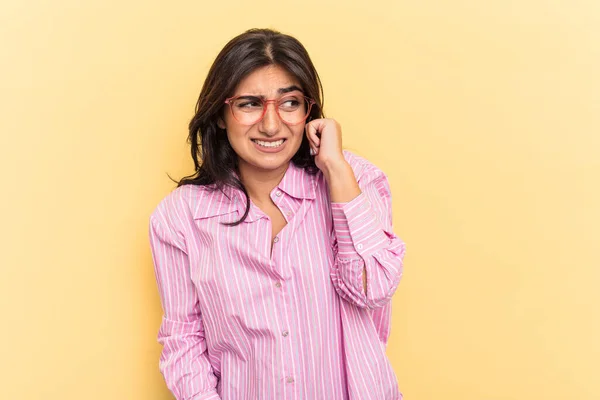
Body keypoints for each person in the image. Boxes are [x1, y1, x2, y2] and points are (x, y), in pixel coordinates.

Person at [149, 28, 406, 400]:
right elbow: (183, 340)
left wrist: (335, 168)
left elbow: (374, 288)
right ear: (221, 114)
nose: (271, 125)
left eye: (290, 103)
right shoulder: (180, 217)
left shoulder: (356, 180)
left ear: (309, 112)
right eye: (250, 103)